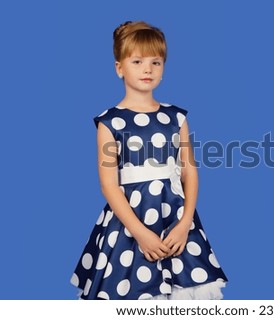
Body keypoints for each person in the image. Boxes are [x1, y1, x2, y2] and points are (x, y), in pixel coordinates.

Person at [70, 21, 228, 300]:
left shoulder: (176, 118)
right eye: (138, 61)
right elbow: (109, 185)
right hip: (130, 225)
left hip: (176, 222)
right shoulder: (110, 122)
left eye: (156, 62)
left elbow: (189, 172)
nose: (148, 69)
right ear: (119, 67)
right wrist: (140, 233)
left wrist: (185, 224)